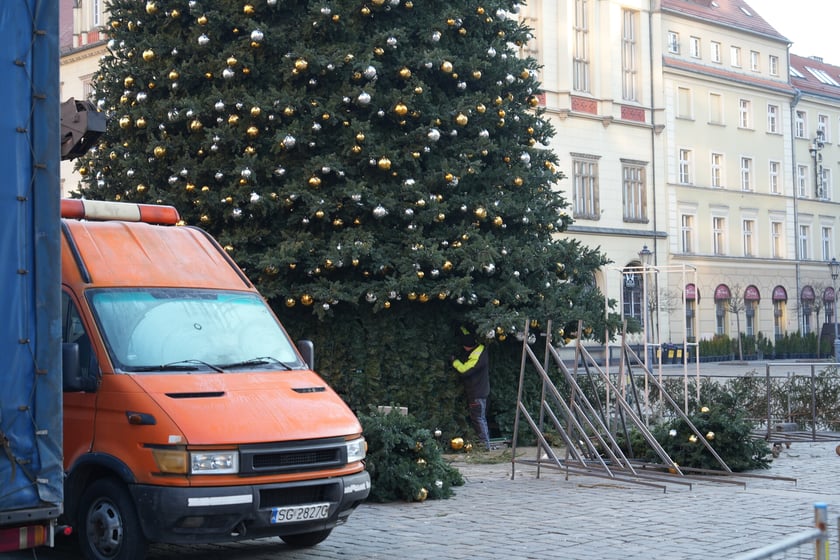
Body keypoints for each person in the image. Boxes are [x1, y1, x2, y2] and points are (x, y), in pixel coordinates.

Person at [451, 328, 494, 451]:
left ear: (468, 347)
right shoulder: (480, 349)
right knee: (481, 418)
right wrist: (462, 328)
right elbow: (467, 335)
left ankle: (485, 446)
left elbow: (465, 370)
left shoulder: (476, 359)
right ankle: (485, 444)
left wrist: (455, 362)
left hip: (476, 393)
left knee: (478, 419)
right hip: (482, 391)